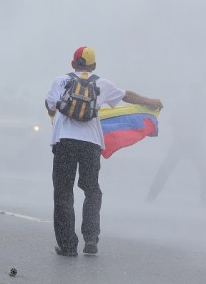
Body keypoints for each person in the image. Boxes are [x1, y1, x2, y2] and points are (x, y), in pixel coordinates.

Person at [45, 46, 163, 256]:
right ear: (94, 66)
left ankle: (68, 246)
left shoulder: (60, 81)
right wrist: (151, 102)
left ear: (73, 64)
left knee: (63, 192)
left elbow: (50, 107)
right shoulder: (102, 83)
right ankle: (91, 239)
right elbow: (127, 96)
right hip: (90, 144)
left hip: (64, 143)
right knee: (91, 190)